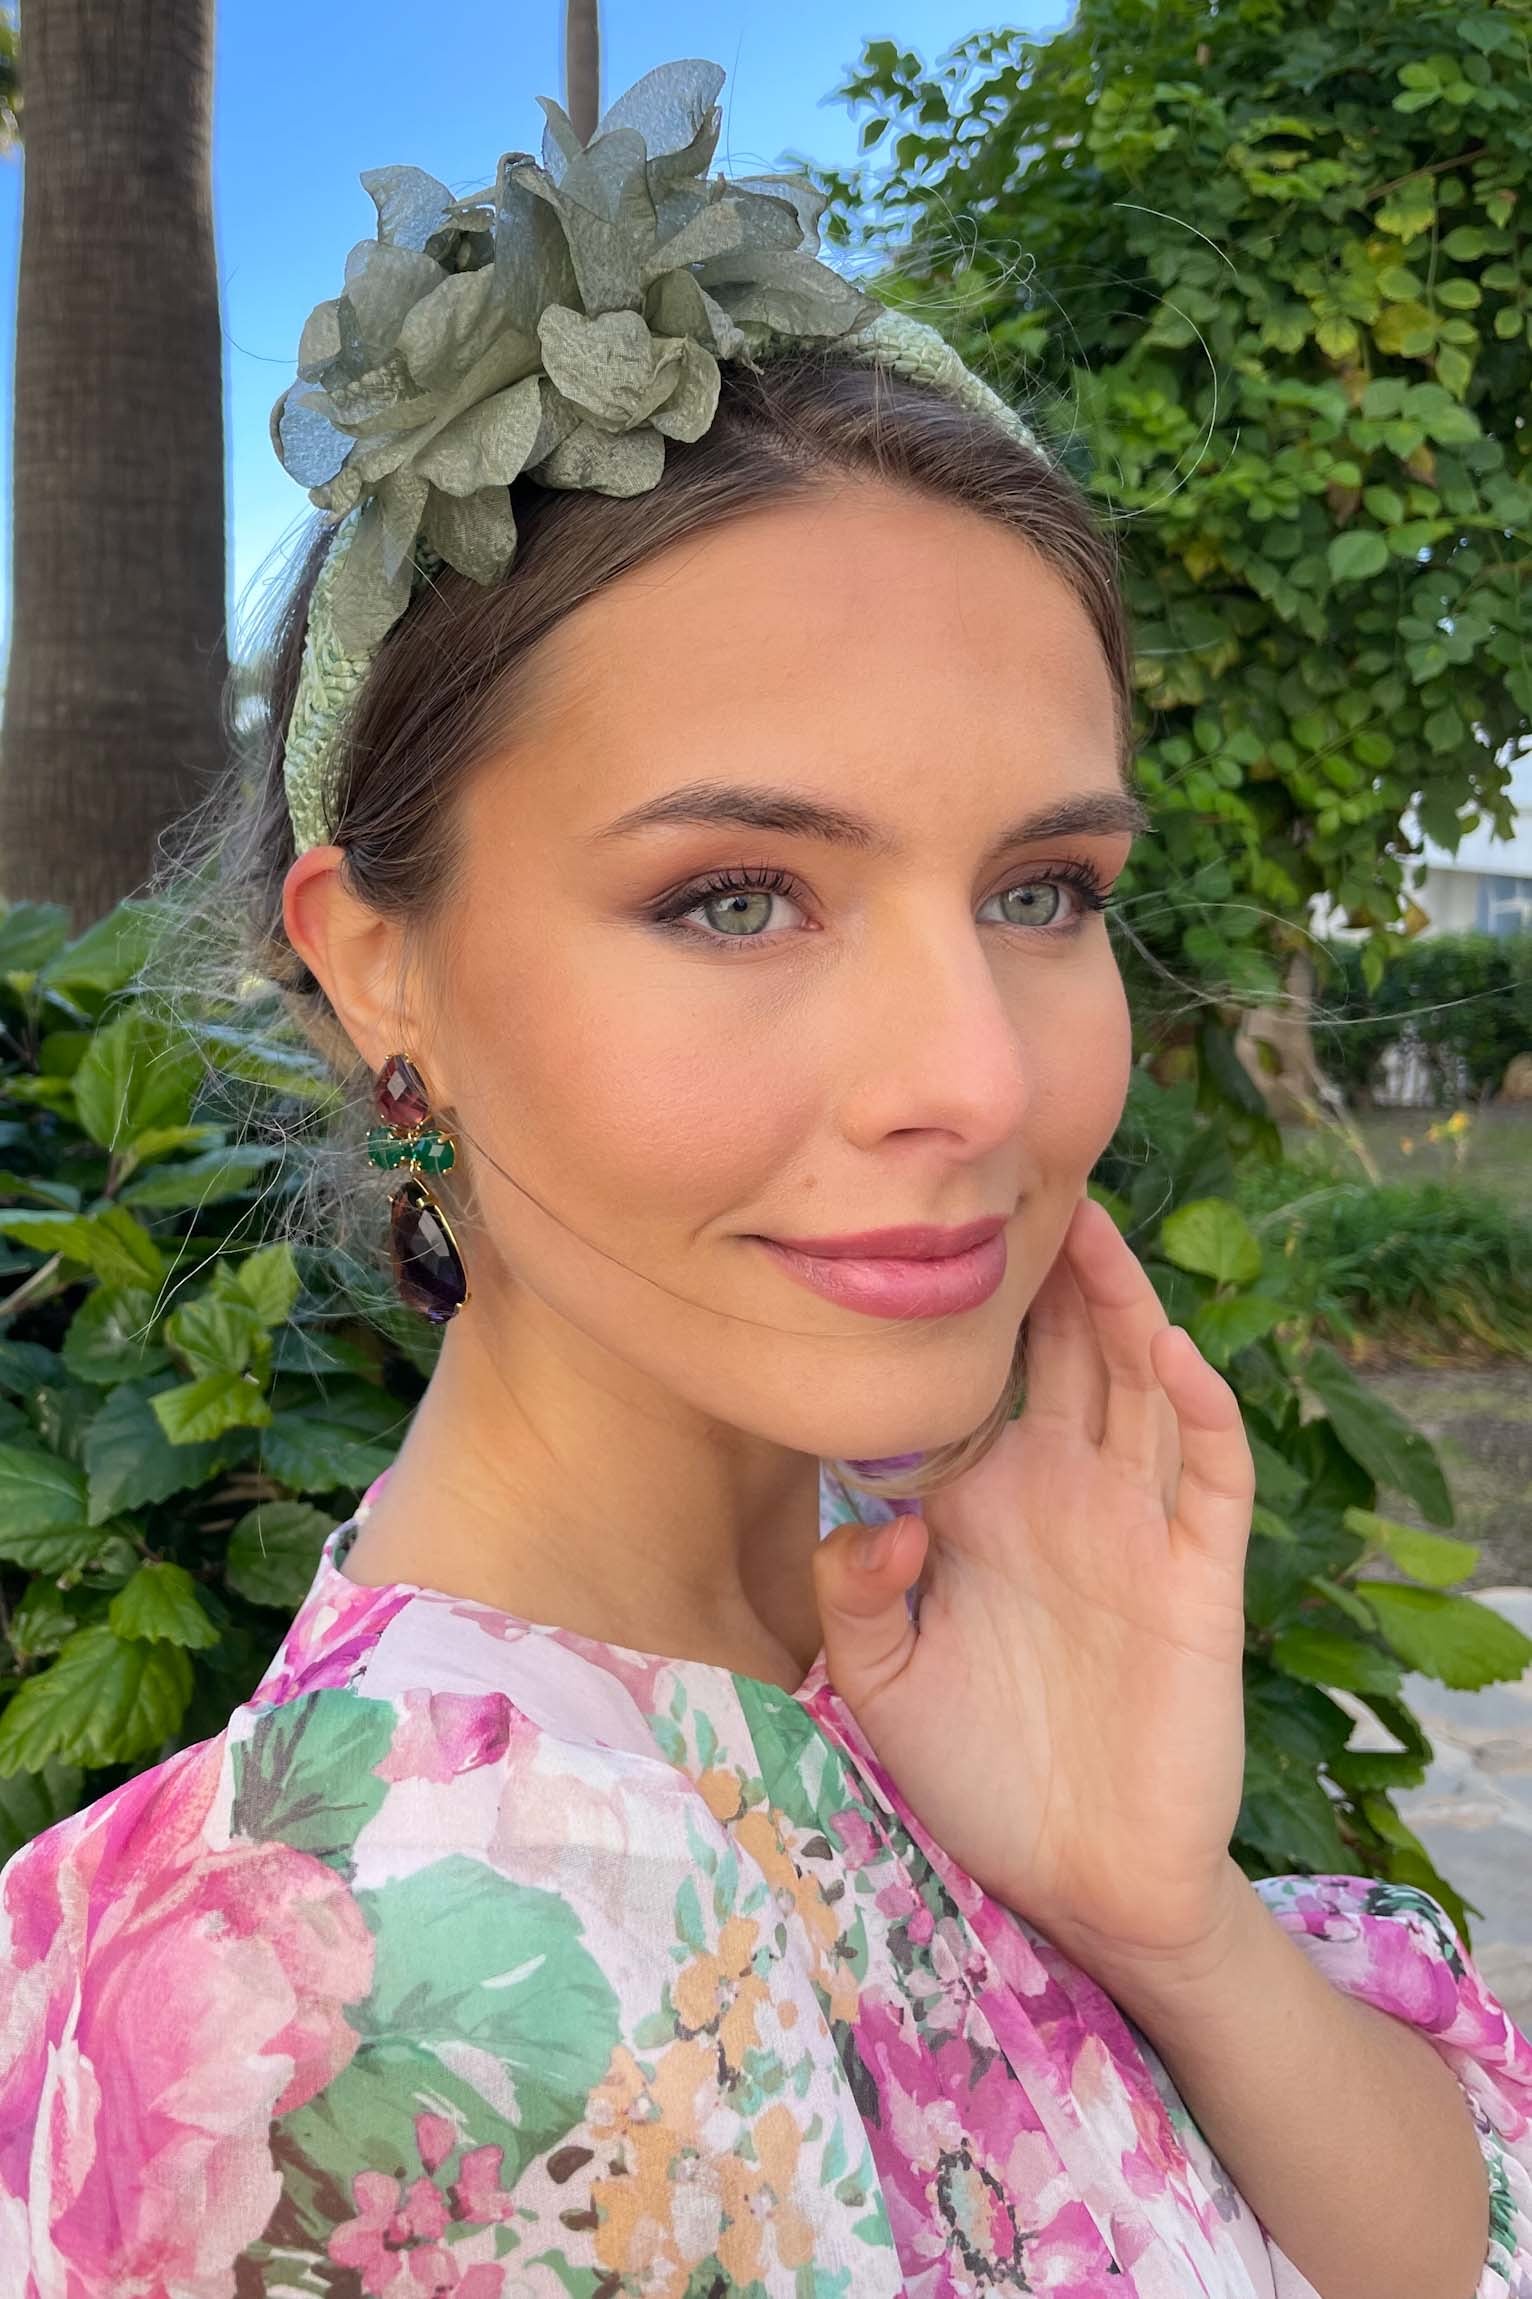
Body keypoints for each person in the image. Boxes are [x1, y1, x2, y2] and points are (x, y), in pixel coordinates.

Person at [2, 56, 1529, 2299]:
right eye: (736, 897)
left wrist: (1162, 1919)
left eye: (1040, 891)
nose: (975, 1079)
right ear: (375, 967)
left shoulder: (905, 1648)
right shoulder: (387, 2039)